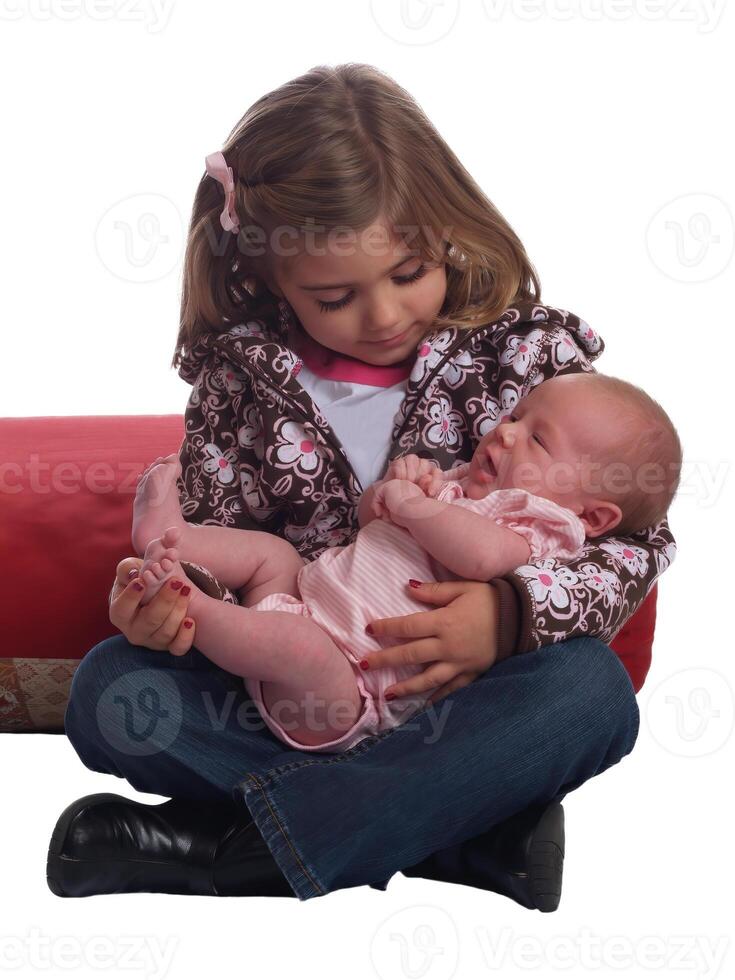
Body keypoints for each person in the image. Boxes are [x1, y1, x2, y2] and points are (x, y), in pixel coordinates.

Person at [47, 64, 676, 911]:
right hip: (298, 692)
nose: (382, 315)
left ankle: (227, 856)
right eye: (336, 296)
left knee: (589, 697)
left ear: (450, 232)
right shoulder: (239, 387)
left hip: (463, 703)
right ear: (269, 278)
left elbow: (633, 540)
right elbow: (221, 549)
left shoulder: (525, 360)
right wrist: (170, 603)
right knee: (114, 691)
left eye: (410, 271)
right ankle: (453, 829)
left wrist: (508, 615)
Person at [125, 371, 681, 755]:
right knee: (271, 556)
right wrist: (391, 493)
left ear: (596, 516)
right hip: (301, 594)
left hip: (347, 687)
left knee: (295, 648)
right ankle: (168, 533)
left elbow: (486, 557)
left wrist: (417, 508)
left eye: (537, 439)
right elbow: (372, 526)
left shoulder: (544, 525)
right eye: (516, 414)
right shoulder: (465, 484)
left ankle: (191, 605)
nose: (506, 430)